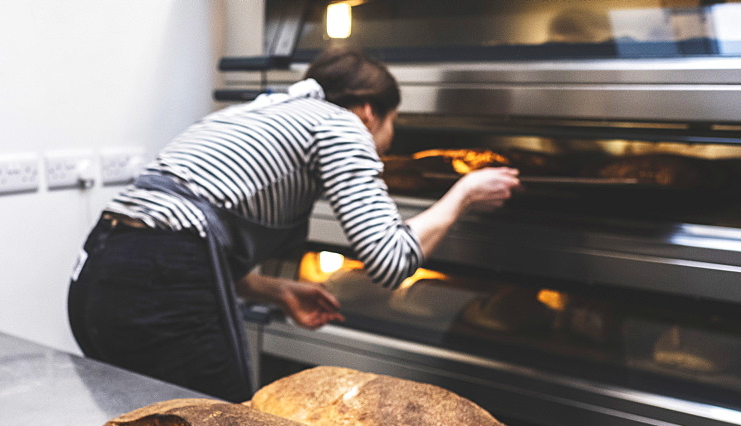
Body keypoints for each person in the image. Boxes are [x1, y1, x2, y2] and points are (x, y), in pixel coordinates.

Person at [67, 47, 520, 402]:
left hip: (98, 272)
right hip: (158, 280)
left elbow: (179, 229)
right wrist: (464, 193)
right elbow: (391, 260)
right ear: (368, 111)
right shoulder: (342, 125)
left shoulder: (256, 110)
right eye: (394, 123)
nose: (388, 140)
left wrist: (276, 290)